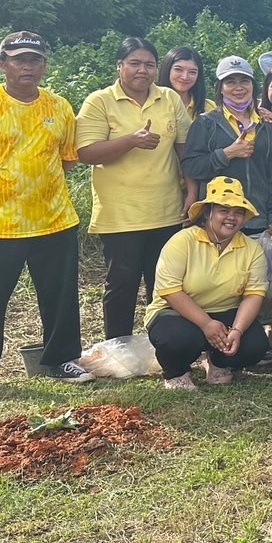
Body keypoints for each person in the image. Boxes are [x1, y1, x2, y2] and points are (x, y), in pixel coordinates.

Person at [0, 31, 93, 400]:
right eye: (19, 59)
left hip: (55, 221)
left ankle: (61, 360)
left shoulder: (59, 107)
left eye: (35, 59)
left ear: (45, 65)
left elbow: (66, 161)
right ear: (3, 64)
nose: (27, 66)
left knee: (60, 297)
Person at [76, 37, 193, 341]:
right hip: (120, 214)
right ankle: (118, 346)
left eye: (149, 64)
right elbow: (86, 153)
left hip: (167, 210)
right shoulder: (100, 101)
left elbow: (185, 153)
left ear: (157, 68)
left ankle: (165, 346)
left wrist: (192, 193)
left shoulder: (169, 98)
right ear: (119, 66)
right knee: (122, 283)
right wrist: (131, 141)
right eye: (135, 63)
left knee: (165, 284)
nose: (143, 70)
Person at [183, 56, 272, 341]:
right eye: (230, 82)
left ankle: (254, 334)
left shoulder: (266, 125)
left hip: (257, 216)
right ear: (220, 88)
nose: (238, 87)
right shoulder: (207, 124)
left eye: (244, 81)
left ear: (254, 86)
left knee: (253, 280)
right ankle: (213, 340)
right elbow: (191, 165)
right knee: (220, 282)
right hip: (218, 218)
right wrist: (226, 154)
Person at [145, 177, 270, 390]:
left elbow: (254, 294)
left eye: (238, 212)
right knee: (179, 338)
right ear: (207, 213)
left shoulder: (252, 249)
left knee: (255, 345)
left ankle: (219, 362)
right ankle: (176, 371)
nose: (231, 217)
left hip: (225, 311)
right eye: (224, 210)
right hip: (175, 312)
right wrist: (206, 324)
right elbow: (170, 290)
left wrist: (237, 330)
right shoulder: (182, 241)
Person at [158, 46, 213, 120]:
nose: (185, 77)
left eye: (192, 72)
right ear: (167, 69)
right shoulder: (150, 103)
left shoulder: (210, 108)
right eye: (179, 70)